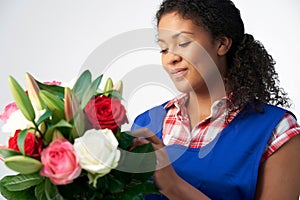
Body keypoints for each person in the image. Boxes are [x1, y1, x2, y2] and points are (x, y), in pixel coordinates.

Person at [131, 0, 300, 199]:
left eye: (183, 43)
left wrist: (173, 185)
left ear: (221, 44)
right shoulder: (144, 124)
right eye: (164, 49)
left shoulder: (276, 132)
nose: (171, 58)